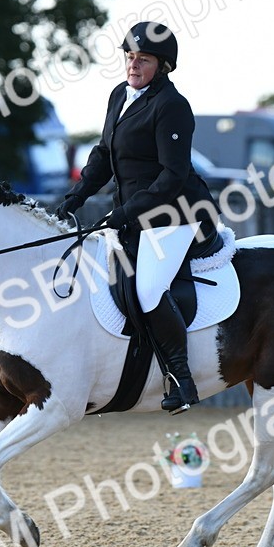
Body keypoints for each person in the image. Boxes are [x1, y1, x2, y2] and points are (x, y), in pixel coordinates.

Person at [54, 22, 221, 414]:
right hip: (134, 213)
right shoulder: (120, 96)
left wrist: (126, 212)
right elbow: (102, 155)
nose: (133, 64)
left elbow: (172, 175)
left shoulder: (171, 106)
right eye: (129, 57)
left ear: (162, 66)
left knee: (147, 290)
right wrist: (77, 196)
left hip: (175, 214)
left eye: (142, 59)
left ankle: (181, 379)